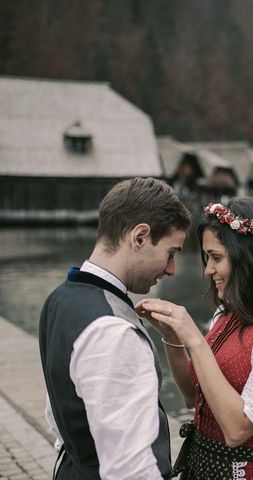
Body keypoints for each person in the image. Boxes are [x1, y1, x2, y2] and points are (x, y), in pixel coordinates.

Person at [137, 197, 253, 479]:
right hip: (200, 468)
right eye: (206, 258)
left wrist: (194, 339)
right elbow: (193, 396)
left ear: (249, 256)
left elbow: (237, 429)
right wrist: (172, 339)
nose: (207, 270)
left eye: (216, 257)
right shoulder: (225, 313)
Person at [39, 177, 192, 479]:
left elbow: (56, 414)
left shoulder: (58, 299)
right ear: (139, 237)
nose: (172, 269)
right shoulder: (115, 333)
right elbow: (131, 470)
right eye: (171, 253)